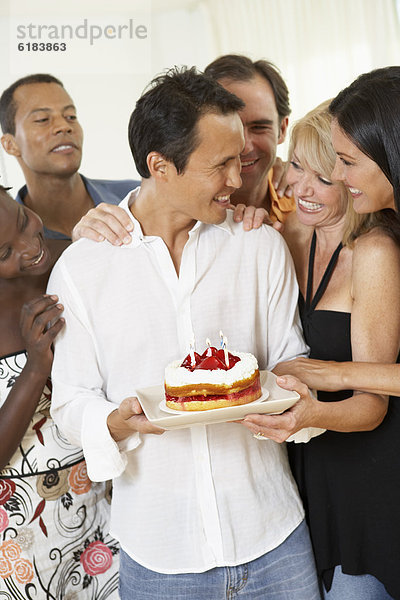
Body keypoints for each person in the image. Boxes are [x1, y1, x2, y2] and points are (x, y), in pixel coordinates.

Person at [47, 66, 320, 600]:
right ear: (160, 166)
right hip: (158, 555)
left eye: (239, 161)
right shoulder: (84, 268)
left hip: (275, 539)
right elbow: (70, 401)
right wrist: (113, 421)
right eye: (219, 165)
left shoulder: (256, 245)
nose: (237, 181)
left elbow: (290, 358)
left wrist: (298, 396)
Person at [240, 101, 400, 599]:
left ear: (351, 183)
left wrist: (311, 411)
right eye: (295, 167)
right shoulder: (283, 235)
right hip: (300, 480)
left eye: (324, 177)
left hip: (366, 482)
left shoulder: (374, 253)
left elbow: (371, 406)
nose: (300, 188)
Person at [0, 186, 120, 598]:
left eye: (21, 220)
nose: (29, 245)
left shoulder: (74, 255)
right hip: (20, 542)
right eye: (4, 253)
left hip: (106, 507)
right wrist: (35, 368)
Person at [73, 54, 293, 243]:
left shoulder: (304, 201)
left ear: (282, 129)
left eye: (259, 127)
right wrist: (90, 238)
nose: (243, 145)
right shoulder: (152, 202)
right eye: (222, 129)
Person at [284, 66, 400, 400]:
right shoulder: (290, 228)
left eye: (346, 162)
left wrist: (336, 373)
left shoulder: (378, 247)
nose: (337, 173)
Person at [0, 73, 139, 241]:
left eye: (71, 117)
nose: (64, 126)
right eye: (42, 119)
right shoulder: (9, 241)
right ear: (10, 144)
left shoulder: (137, 198)